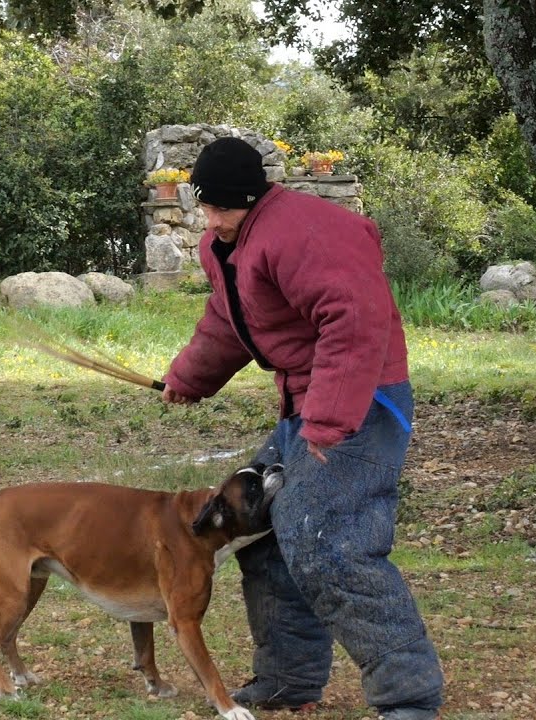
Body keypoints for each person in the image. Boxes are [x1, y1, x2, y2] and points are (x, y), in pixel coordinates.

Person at [160, 136, 444, 720]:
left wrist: (328, 421)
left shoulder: (309, 232)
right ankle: (288, 681)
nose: (209, 220)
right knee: (261, 535)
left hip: (363, 401)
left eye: (219, 209)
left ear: (249, 196)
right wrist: (187, 378)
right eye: (203, 208)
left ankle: (409, 698)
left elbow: (355, 320)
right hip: (305, 405)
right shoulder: (224, 245)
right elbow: (226, 319)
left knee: (327, 540)